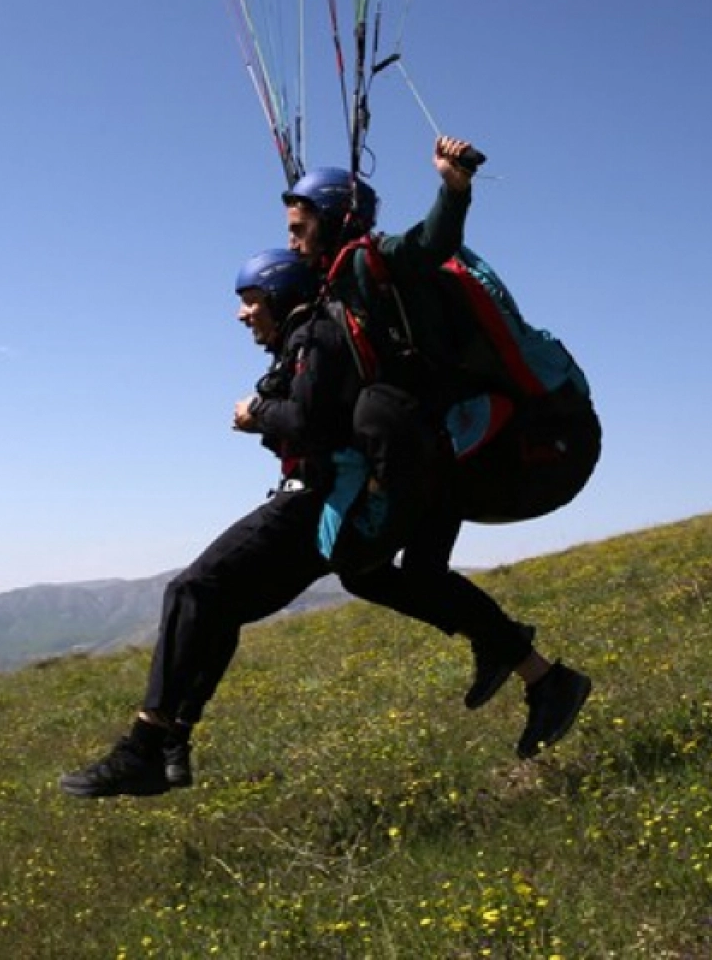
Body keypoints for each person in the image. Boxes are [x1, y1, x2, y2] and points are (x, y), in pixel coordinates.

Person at [284, 138, 592, 759]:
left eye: (300, 227)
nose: (293, 240)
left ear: (334, 219)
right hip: (438, 440)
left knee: (370, 571)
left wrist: (453, 188)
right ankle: (541, 676)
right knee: (402, 574)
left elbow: (432, 243)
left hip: (459, 438)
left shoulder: (378, 260)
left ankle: (527, 666)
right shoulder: (337, 288)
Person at [59, 248, 374, 798]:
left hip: (313, 501)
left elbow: (309, 422)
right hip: (329, 506)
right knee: (219, 609)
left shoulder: (315, 338)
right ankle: (175, 742)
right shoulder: (309, 340)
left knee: (190, 590)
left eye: (251, 302)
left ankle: (144, 748)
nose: (242, 314)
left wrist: (257, 416)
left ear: (278, 298)